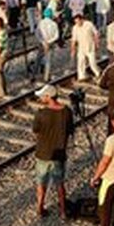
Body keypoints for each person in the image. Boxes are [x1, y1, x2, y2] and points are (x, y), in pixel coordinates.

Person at [32, 84, 74, 219]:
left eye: (42, 96)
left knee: (41, 182)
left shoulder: (40, 114)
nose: (40, 98)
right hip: (59, 154)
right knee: (59, 184)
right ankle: (63, 211)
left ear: (48, 97)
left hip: (43, 153)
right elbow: (70, 130)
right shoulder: (67, 112)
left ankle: (40, 207)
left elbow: (36, 131)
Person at [69, 13, 100, 82]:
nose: (77, 23)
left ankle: (98, 74)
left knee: (92, 63)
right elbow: (74, 40)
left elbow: (96, 33)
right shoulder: (75, 28)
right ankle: (81, 76)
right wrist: (73, 49)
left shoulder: (89, 24)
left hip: (90, 46)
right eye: (76, 22)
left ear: (81, 19)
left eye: (78, 21)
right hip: (81, 48)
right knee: (80, 63)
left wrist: (97, 43)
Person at [35, 9, 60, 82]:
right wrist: (49, 42)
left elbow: (37, 34)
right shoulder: (54, 24)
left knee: (38, 59)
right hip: (50, 44)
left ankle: (34, 74)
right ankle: (46, 77)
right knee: (48, 61)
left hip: (42, 44)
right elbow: (57, 36)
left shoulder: (40, 23)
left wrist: (43, 42)